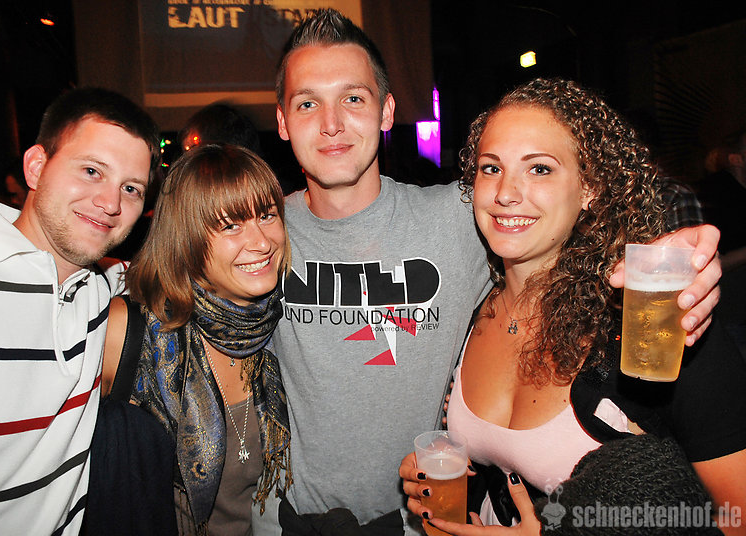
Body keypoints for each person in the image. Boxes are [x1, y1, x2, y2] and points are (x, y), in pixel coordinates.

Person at [255, 10, 722, 536]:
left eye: (353, 99)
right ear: (282, 121)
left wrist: (677, 260)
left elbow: (564, 220)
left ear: (387, 111)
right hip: (290, 520)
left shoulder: (464, 215)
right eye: (307, 103)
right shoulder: (256, 234)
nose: (331, 123)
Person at [399, 78, 746, 534]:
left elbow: (735, 517)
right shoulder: (472, 303)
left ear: (589, 188)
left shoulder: (656, 322)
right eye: (491, 167)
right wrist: (446, 476)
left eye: (539, 168)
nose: (505, 192)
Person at [0, 87, 161, 535]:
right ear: (36, 167)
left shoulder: (104, 284)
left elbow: (185, 271)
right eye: (91, 171)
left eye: (131, 188)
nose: (110, 203)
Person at [101, 144, 292, 535]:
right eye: (230, 225)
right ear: (185, 239)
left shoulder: (283, 323)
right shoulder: (128, 332)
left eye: (266, 215)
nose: (261, 242)